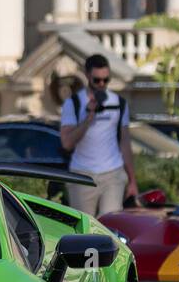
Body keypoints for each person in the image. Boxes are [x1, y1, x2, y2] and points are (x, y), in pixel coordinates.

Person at [59, 54, 138, 216]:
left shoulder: (119, 103)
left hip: (112, 174)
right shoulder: (73, 103)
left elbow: (125, 143)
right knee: (83, 230)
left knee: (110, 227)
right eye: (97, 80)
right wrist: (88, 117)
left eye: (106, 80)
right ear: (88, 76)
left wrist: (132, 180)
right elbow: (67, 143)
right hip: (82, 174)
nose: (101, 84)